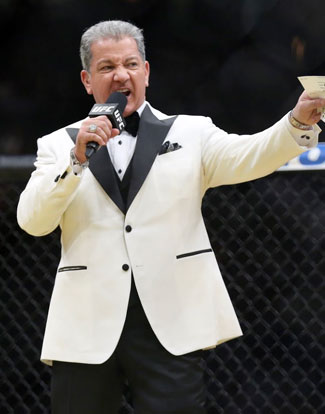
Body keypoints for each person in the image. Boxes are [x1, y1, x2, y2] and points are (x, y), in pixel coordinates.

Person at [17, 20, 324, 414]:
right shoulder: (58, 145)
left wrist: (296, 122)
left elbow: (251, 155)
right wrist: (77, 162)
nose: (121, 74)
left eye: (130, 64)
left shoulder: (192, 132)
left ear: (146, 72)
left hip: (171, 320)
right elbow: (32, 221)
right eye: (107, 67)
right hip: (85, 324)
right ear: (86, 79)